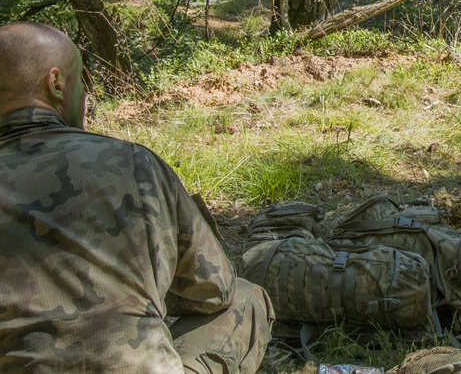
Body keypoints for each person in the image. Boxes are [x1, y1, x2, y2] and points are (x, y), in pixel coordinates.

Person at [0, 21, 274, 373]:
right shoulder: (133, 162)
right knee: (246, 297)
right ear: (55, 84)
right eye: (79, 79)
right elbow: (215, 290)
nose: (85, 95)